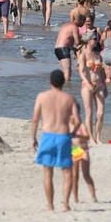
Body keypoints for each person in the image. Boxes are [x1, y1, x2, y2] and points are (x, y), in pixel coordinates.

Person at [31, 70, 82, 212]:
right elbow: (77, 120)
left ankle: (50, 205)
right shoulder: (69, 98)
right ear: (63, 82)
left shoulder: (42, 97)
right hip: (63, 135)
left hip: (48, 135)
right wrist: (72, 133)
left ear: (50, 82)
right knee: (67, 171)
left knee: (47, 171)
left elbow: (35, 119)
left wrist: (33, 138)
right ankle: (65, 203)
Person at [78, 32, 106, 144]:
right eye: (94, 39)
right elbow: (81, 71)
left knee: (101, 112)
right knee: (89, 112)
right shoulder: (83, 54)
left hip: (99, 85)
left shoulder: (98, 54)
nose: (96, 40)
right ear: (89, 40)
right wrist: (87, 82)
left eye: (97, 38)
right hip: (87, 85)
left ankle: (98, 136)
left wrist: (104, 83)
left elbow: (102, 71)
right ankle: (90, 138)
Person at [54, 13, 83, 83]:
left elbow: (66, 39)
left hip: (57, 49)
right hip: (63, 49)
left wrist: (73, 49)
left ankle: (61, 86)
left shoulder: (66, 25)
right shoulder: (74, 27)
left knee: (64, 71)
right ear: (80, 20)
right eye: (83, 22)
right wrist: (85, 39)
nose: (83, 24)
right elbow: (77, 42)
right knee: (68, 71)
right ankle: (67, 88)